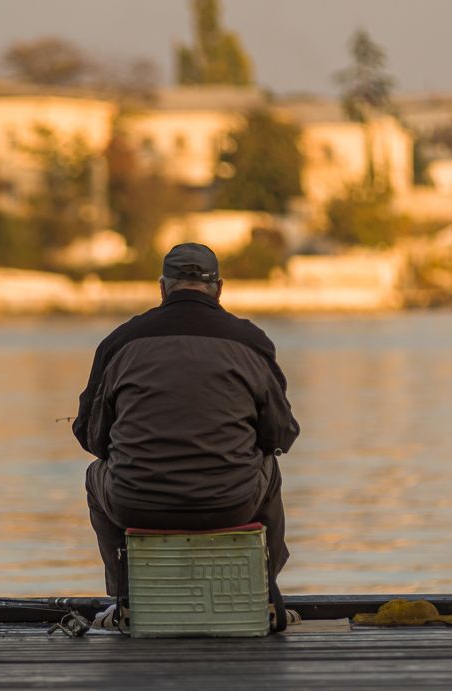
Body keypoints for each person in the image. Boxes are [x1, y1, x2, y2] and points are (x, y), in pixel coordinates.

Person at [73, 242, 300, 629]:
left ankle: (126, 602)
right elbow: (280, 435)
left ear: (162, 287)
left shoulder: (120, 342)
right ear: (219, 288)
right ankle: (266, 599)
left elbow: (91, 437)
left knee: (95, 475)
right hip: (232, 502)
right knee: (269, 467)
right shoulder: (251, 341)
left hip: (136, 503)